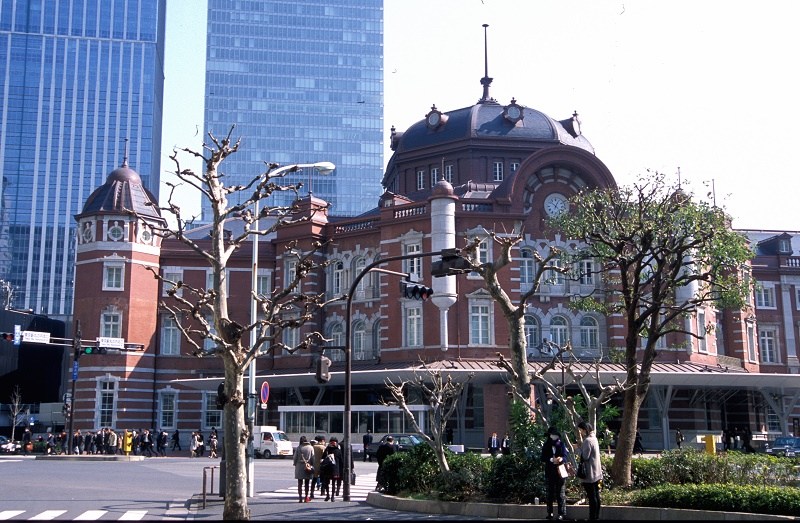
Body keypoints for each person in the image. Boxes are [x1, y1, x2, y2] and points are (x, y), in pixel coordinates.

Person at [540, 426, 568, 520]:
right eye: (553, 435)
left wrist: (561, 459)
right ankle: (550, 513)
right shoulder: (546, 445)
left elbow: (565, 456)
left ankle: (561, 513)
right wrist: (551, 459)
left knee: (560, 493)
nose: (554, 436)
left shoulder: (561, 444)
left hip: (560, 472)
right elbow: (542, 457)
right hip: (549, 471)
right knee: (549, 494)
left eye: (556, 435)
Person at [578, 421, 603, 521]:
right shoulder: (594, 438)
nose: (580, 432)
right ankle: (596, 516)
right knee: (596, 495)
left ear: (585, 430)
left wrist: (578, 449)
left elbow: (585, 456)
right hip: (597, 473)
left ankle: (592, 517)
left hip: (590, 474)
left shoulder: (588, 441)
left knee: (592, 497)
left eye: (581, 430)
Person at [293, 435, 315, 503]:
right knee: (307, 483)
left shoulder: (298, 448)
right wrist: (312, 465)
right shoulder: (310, 447)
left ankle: (300, 498)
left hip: (299, 466)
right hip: (307, 466)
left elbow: (295, 457)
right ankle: (306, 497)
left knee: (300, 483)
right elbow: (313, 458)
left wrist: (295, 463)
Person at [321, 437, 344, 501]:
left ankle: (328, 495)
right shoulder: (338, 450)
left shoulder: (327, 449)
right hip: (335, 469)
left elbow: (322, 458)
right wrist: (340, 470)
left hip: (327, 468)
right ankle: (332, 496)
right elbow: (341, 461)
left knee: (327, 483)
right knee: (333, 483)